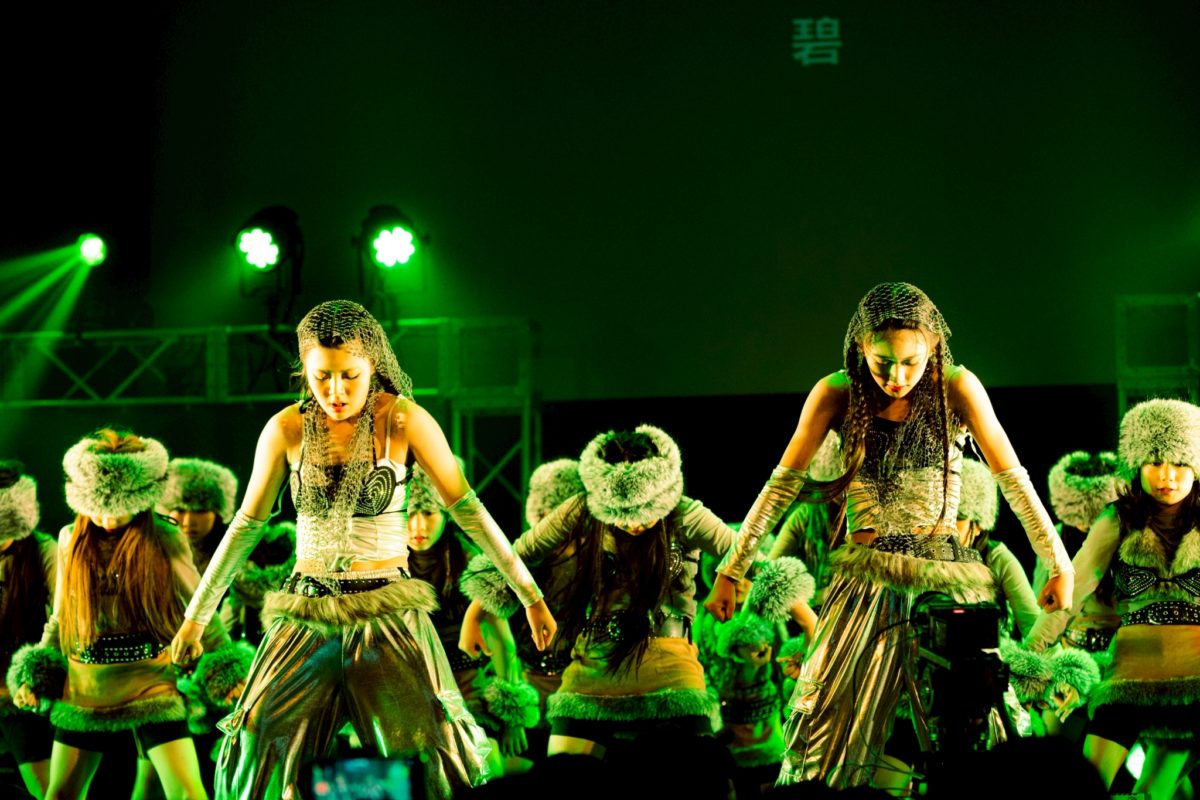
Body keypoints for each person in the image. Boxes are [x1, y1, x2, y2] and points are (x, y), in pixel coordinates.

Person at [169, 299, 556, 800]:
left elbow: (469, 511)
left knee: (434, 751)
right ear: (304, 371)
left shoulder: (404, 420)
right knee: (257, 740)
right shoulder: (285, 428)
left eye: (349, 376)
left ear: (373, 364)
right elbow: (245, 527)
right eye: (321, 377)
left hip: (386, 610)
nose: (335, 391)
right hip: (306, 611)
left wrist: (530, 594)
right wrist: (196, 618)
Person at [703, 282, 1074, 788]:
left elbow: (1013, 478)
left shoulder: (957, 387)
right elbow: (781, 485)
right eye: (882, 363)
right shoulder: (836, 392)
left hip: (942, 582)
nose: (897, 377)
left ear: (933, 348)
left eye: (910, 362)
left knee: (970, 721)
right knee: (831, 726)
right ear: (861, 346)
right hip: (866, 584)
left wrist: (1058, 561)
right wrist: (731, 570)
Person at [461, 425, 735, 759]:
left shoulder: (685, 514)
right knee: (562, 773)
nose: (633, 524)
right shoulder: (583, 509)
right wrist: (474, 613)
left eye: (644, 513)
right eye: (620, 515)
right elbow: (516, 555)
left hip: (670, 669)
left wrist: (729, 575)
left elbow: (752, 556)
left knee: (696, 775)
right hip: (593, 667)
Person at [9, 429, 238, 800]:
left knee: (186, 792)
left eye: (119, 508)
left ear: (141, 498)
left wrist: (225, 671)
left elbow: (200, 607)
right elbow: (63, 616)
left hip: (150, 679)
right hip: (86, 683)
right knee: (60, 794)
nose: (109, 519)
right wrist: (36, 674)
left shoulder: (163, 536)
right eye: (98, 507)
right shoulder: (69, 538)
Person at [1018, 399, 1200, 799]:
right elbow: (1072, 590)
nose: (1166, 476)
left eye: (1179, 462)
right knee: (1087, 788)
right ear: (1136, 463)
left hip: (1194, 680)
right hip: (1129, 674)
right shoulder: (1117, 518)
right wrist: (1030, 656)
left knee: (1156, 793)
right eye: (1154, 462)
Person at [405, 462, 538, 778]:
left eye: (429, 513)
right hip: (412, 691)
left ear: (446, 514)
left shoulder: (470, 563)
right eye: (408, 514)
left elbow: (503, 642)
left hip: (467, 686)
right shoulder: (387, 565)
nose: (417, 525)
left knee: (486, 767)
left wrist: (512, 716)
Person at [0, 462, 56, 798]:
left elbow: (65, 614)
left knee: (47, 787)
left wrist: (33, 674)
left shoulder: (43, 550)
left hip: (22, 694)